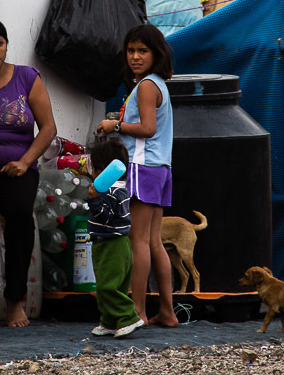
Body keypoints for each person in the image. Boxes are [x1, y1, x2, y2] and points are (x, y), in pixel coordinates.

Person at [0, 17, 57, 328]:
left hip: (19, 170)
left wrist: (24, 162)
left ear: (6, 44)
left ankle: (14, 301)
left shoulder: (26, 78)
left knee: (20, 218)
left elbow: (48, 129)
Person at [96, 23, 178, 327]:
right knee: (154, 241)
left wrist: (113, 126)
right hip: (159, 168)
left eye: (143, 51)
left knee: (138, 240)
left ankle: (138, 311)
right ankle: (167, 312)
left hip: (142, 168)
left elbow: (147, 129)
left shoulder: (145, 86)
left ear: (156, 54)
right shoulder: (156, 84)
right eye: (131, 50)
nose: (135, 56)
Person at [86, 138, 144, 339]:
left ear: (102, 170)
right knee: (112, 284)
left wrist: (94, 200)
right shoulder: (121, 187)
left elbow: (106, 217)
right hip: (117, 243)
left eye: (93, 168)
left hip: (111, 243)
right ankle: (110, 321)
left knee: (107, 286)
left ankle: (128, 317)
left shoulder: (110, 191)